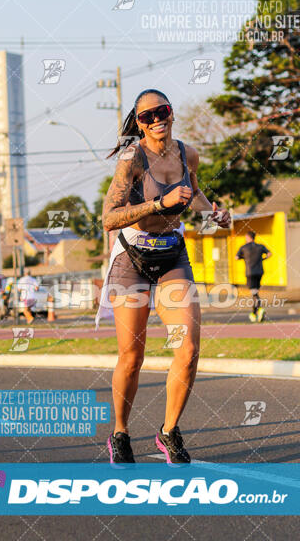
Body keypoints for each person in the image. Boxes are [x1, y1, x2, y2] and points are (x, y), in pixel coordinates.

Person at [99, 89, 231, 464]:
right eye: (147, 116)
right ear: (139, 123)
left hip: (172, 254)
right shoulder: (132, 158)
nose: (156, 119)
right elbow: (109, 216)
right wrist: (159, 203)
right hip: (132, 259)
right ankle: (120, 433)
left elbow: (195, 190)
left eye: (163, 111)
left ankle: (168, 431)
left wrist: (211, 212)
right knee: (131, 355)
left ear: (172, 113)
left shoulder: (188, 154)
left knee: (188, 351)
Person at [235, 230, 272, 323]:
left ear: (248, 237)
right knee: (255, 292)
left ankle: (259, 309)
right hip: (260, 272)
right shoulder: (260, 246)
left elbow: (236, 257)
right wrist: (262, 259)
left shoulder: (243, 247)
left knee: (254, 293)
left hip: (250, 272)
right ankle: (254, 313)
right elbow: (269, 254)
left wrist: (244, 258)